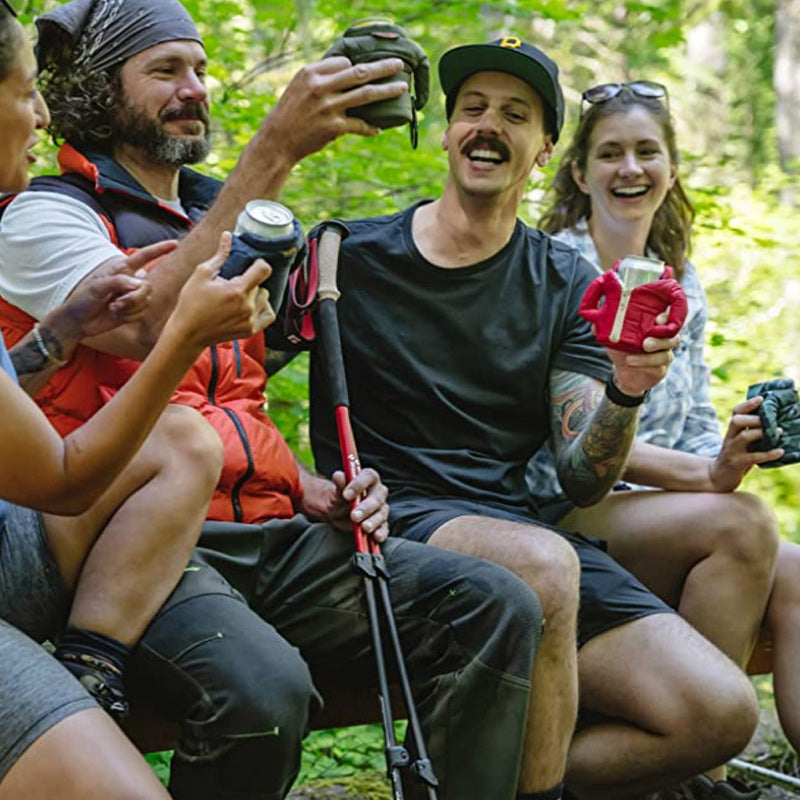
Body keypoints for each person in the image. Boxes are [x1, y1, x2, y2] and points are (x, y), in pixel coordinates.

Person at [0, 3, 545, 799]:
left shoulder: (223, 212)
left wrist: (308, 486)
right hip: (143, 544)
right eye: (164, 72)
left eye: (200, 70)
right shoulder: (47, 213)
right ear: (97, 90)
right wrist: (279, 144)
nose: (194, 89)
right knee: (261, 694)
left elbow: (236, 402)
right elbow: (151, 328)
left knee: (493, 603)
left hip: (270, 528)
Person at [308, 37, 764, 800]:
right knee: (545, 565)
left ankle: (496, 779)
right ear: (448, 131)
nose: (489, 126)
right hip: (398, 520)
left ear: (546, 149)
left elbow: (584, 477)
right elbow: (228, 369)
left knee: (719, 714)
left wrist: (623, 392)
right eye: (473, 109)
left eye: (515, 115)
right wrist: (290, 484)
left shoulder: (564, 282)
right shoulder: (346, 256)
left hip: (525, 527)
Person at [0, 6, 278, 798]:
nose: (44, 114)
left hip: (49, 539)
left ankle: (92, 664)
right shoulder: (49, 208)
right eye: (26, 90)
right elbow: (59, 480)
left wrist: (54, 336)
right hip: (45, 528)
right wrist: (182, 336)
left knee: (184, 436)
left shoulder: (197, 203)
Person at [526, 77, 799, 792]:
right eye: (611, 153)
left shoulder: (682, 278)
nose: (631, 169)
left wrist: (731, 449)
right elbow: (565, 445)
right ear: (580, 172)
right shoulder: (555, 270)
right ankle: (696, 775)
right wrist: (707, 482)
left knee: (799, 572)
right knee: (740, 523)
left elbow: (696, 422)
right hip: (570, 504)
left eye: (648, 151)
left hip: (667, 505)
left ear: (672, 168)